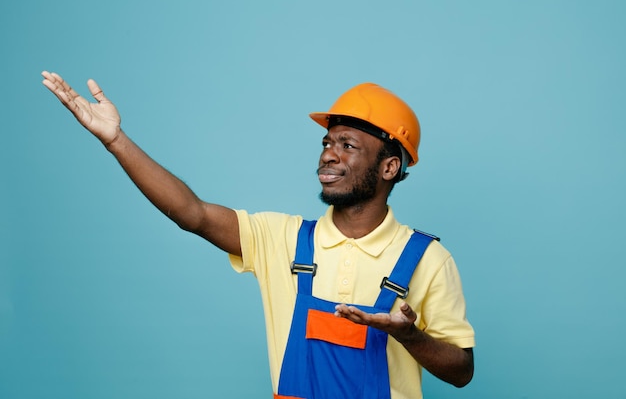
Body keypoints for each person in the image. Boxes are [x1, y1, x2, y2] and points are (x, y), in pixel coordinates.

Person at [41, 71, 475, 399]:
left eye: (347, 144)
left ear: (389, 167)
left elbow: (462, 371)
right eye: (326, 142)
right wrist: (116, 140)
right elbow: (192, 213)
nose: (328, 154)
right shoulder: (282, 239)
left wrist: (407, 334)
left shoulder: (427, 260)